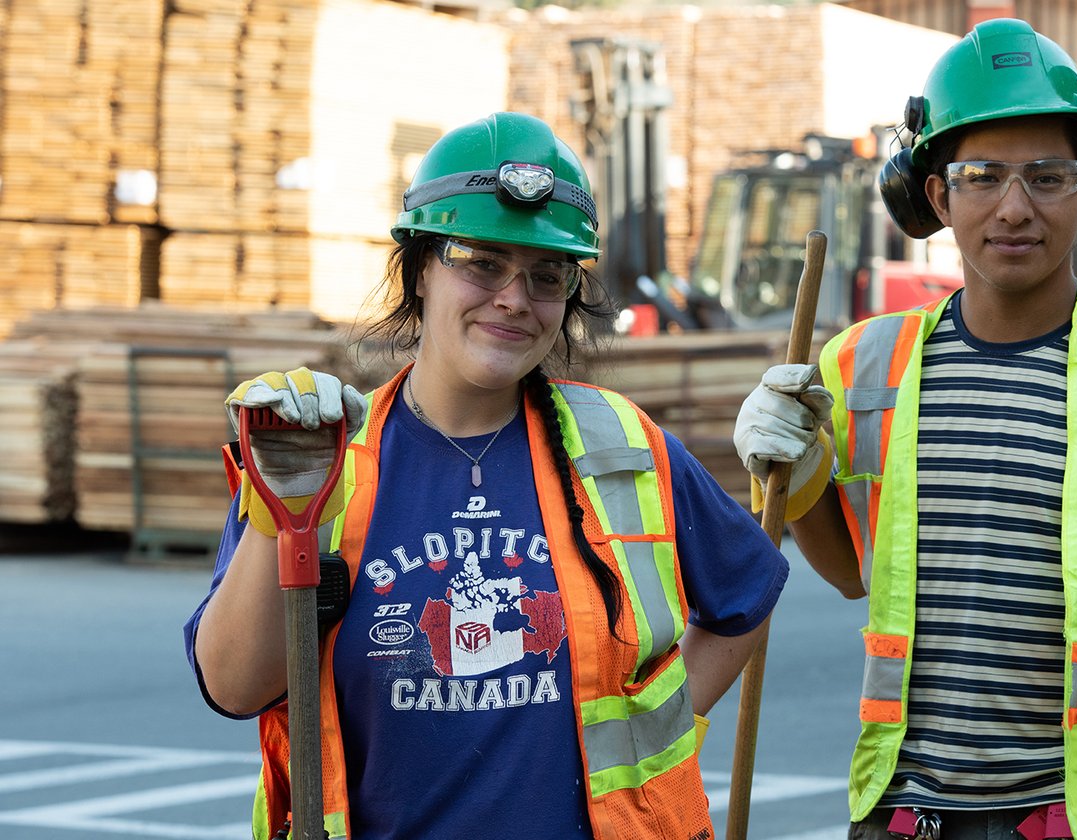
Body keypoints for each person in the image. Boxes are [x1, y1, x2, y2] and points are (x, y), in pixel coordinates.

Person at [186, 111, 789, 840]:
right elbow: (233, 684)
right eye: (480, 261)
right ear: (419, 270)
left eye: (546, 275)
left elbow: (746, 593)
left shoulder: (620, 445)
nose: (513, 297)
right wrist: (276, 508)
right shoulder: (326, 458)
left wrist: (661, 721)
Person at [733, 18, 1077, 840]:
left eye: (1047, 177)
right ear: (939, 196)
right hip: (906, 812)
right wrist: (790, 473)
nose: (1014, 208)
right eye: (981, 175)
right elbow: (848, 574)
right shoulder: (862, 365)